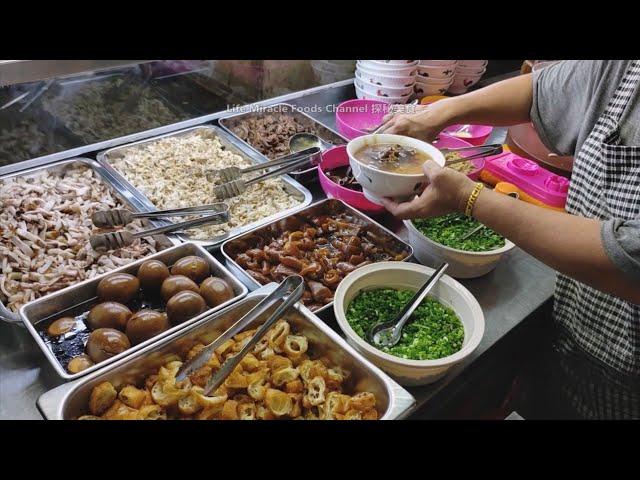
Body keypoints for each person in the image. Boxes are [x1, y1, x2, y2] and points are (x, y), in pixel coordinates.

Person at [377, 60, 640, 419]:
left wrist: (468, 199)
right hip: (575, 322)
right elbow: (543, 90)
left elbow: (629, 260)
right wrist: (438, 113)